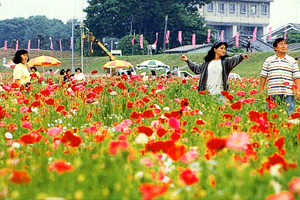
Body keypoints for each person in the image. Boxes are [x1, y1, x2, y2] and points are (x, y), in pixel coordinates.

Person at [180, 41, 249, 96]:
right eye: (221, 48)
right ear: (215, 49)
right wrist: (187, 60)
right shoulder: (207, 63)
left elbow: (234, 59)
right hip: (206, 93)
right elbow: (196, 69)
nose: (224, 50)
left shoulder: (226, 62)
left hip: (221, 94)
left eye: (225, 49)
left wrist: (242, 56)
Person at [260, 38, 300, 115]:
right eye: (281, 44)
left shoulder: (292, 61)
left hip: (288, 92)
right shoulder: (268, 60)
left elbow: (296, 76)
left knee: (289, 113)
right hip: (273, 92)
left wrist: (298, 90)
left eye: (285, 44)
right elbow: (263, 76)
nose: (284, 46)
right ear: (275, 47)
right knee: (270, 114)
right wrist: (261, 90)